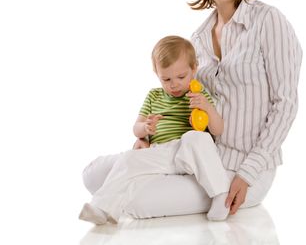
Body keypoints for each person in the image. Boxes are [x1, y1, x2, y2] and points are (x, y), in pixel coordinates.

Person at [82, 0, 302, 219]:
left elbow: (285, 103)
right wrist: (148, 140)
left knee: (135, 203)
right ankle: (145, 180)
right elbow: (179, 102)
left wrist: (248, 173)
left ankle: (163, 188)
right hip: (195, 153)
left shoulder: (269, 21)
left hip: (243, 167)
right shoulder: (196, 41)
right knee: (93, 175)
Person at [79, 36, 231, 224]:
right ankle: (102, 208)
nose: (173, 84)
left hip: (188, 151)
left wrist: (207, 107)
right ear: (156, 73)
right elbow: (136, 128)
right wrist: (145, 128)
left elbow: (218, 129)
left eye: (181, 77)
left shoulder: (199, 94)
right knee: (128, 159)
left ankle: (220, 193)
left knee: (197, 138)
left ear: (194, 69)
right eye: (166, 79)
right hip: (161, 152)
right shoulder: (153, 96)